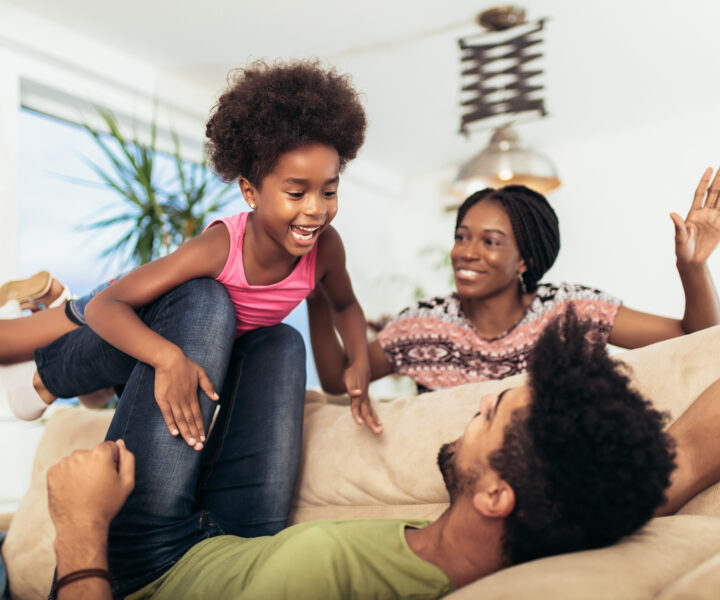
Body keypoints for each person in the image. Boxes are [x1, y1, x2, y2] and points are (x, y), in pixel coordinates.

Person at [45, 309, 720, 599]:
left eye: (496, 412)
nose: (479, 404)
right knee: (276, 342)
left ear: (495, 496)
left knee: (201, 303)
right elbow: (686, 451)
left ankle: (37, 378)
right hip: (231, 538)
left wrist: (81, 531)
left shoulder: (324, 586)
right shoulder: (583, 500)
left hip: (147, 569)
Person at [2, 59, 383, 436]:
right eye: (296, 193)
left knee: (95, 392)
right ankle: (56, 308)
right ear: (250, 191)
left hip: (146, 343)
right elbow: (107, 306)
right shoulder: (220, 248)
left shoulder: (326, 248)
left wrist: (360, 359)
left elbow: (345, 305)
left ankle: (54, 305)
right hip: (124, 304)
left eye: (329, 191)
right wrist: (167, 358)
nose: (316, 208)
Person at [309, 173, 720, 393]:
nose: (466, 252)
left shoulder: (571, 311)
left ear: (524, 258)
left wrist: (692, 268)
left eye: (490, 242)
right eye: (461, 236)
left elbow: (696, 339)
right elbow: (336, 379)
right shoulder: (425, 324)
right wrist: (313, 292)